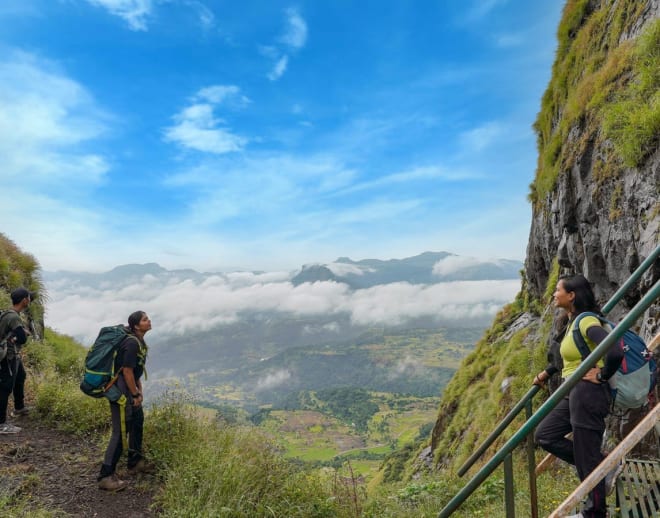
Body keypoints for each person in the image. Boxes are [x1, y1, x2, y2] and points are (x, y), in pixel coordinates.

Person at [533, 275, 624, 518]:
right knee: (544, 435)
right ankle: (604, 463)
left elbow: (614, 349)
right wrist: (547, 372)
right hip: (572, 390)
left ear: (571, 295)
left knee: (586, 453)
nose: (554, 294)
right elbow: (568, 356)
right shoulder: (572, 321)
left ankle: (595, 513)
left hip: (588, 392)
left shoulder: (586, 320)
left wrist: (603, 375)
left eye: (558, 289)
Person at [97, 310, 154, 491]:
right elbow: (127, 371)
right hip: (121, 393)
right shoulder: (131, 343)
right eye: (145, 319)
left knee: (137, 421)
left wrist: (138, 389)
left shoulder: (138, 341)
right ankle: (105, 476)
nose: (149, 321)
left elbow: (134, 369)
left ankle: (135, 462)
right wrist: (134, 394)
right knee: (120, 432)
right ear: (136, 325)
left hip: (129, 388)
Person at [0, 287, 33, 434]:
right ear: (24, 300)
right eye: (28, 297)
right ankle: (1, 424)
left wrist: (17, 334)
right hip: (9, 356)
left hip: (12, 354)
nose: (30, 300)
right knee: (6, 387)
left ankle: (19, 407)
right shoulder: (14, 317)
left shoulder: (9, 313)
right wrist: (22, 333)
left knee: (20, 376)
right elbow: (23, 338)